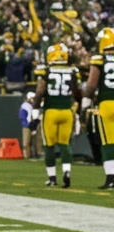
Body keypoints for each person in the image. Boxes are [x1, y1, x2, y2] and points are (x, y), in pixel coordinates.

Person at [34, 43, 78, 187]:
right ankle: (67, 171)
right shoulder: (72, 71)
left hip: (51, 111)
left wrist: (35, 108)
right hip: (67, 111)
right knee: (65, 145)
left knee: (49, 146)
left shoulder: (45, 71)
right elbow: (76, 92)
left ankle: (52, 178)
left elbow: (40, 91)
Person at [81, 28, 114, 188]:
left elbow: (91, 86)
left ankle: (111, 177)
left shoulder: (99, 60)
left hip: (106, 103)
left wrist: (84, 106)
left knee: (108, 142)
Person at [19, 91, 39, 160]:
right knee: (26, 142)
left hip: (33, 125)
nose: (34, 100)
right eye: (33, 98)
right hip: (27, 126)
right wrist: (27, 124)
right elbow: (22, 116)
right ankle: (27, 156)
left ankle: (34, 155)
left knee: (33, 142)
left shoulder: (33, 106)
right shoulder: (25, 106)